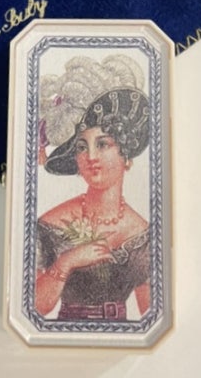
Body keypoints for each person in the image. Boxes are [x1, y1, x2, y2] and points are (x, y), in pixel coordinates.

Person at [35, 88, 151, 321]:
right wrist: (67, 262)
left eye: (103, 144)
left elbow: (151, 314)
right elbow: (35, 307)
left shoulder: (142, 232)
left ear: (125, 154)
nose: (91, 157)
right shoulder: (50, 224)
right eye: (81, 147)